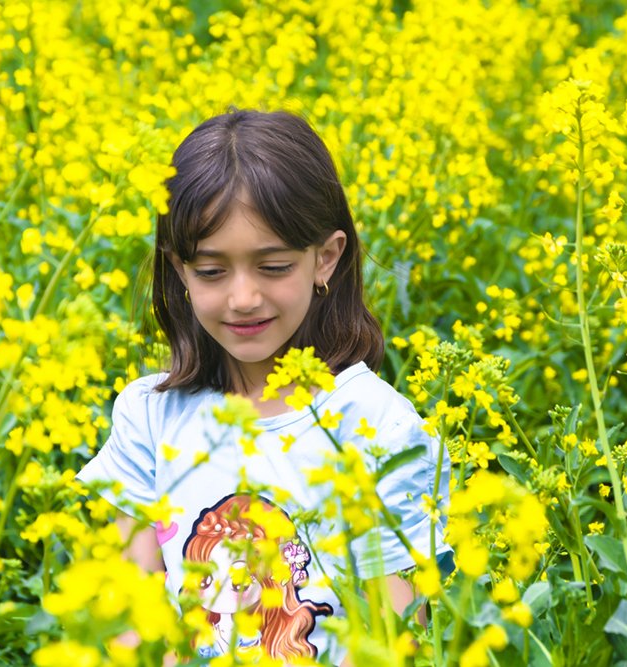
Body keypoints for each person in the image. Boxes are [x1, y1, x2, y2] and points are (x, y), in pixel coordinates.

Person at [77, 109, 451, 664]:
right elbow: (125, 618)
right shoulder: (148, 416)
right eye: (211, 271)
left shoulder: (375, 425)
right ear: (179, 271)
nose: (243, 297)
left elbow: (400, 639)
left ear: (325, 258)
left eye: (272, 266)